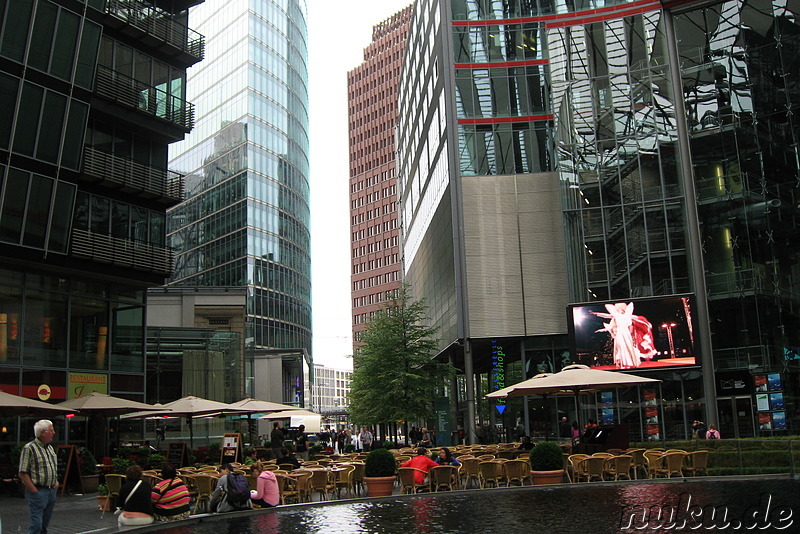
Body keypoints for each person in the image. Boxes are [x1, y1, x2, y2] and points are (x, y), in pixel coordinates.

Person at [18, 419, 59, 534]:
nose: (54, 433)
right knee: (36, 525)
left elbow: (53, 467)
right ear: (42, 433)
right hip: (39, 490)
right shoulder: (29, 448)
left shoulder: (50, 448)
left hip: (51, 490)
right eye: (51, 430)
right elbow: (22, 472)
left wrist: (56, 482)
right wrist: (34, 490)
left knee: (44, 525)